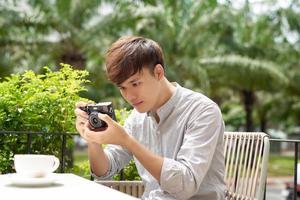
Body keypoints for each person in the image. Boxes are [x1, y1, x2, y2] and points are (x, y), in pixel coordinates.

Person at [74, 36, 226, 200]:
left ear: (158, 72)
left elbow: (185, 185)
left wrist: (127, 141)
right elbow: (104, 171)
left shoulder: (203, 111)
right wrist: (92, 138)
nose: (129, 96)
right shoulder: (137, 118)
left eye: (135, 83)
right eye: (122, 88)